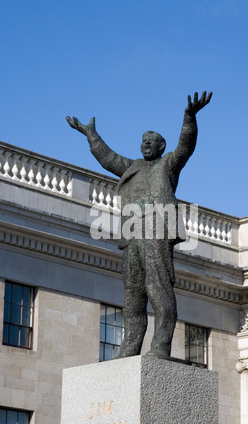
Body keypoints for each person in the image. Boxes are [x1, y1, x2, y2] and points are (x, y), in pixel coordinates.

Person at [66, 91, 212, 358]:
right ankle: (129, 349)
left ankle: (160, 347)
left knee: (159, 289)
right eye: (143, 140)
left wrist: (189, 118)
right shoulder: (132, 166)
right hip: (133, 232)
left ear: (160, 147)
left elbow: (185, 147)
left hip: (156, 230)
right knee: (133, 295)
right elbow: (108, 158)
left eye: (151, 141)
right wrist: (91, 135)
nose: (146, 144)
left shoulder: (168, 164)